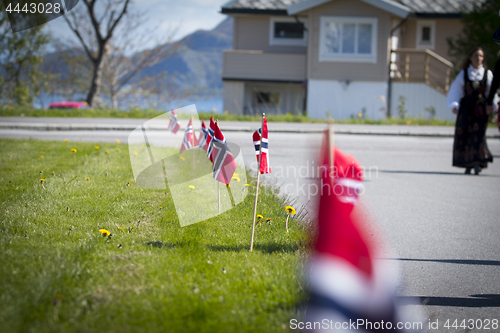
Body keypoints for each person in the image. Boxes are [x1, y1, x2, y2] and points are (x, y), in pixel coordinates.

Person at [447, 47, 494, 175]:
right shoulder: (464, 73)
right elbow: (455, 89)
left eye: (480, 56)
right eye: (475, 55)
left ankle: (477, 162)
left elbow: (491, 92)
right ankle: (466, 163)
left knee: (478, 135)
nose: (478, 58)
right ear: (470, 58)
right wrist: (454, 104)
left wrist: (491, 105)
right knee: (465, 134)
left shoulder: (487, 74)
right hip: (466, 108)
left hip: (480, 108)